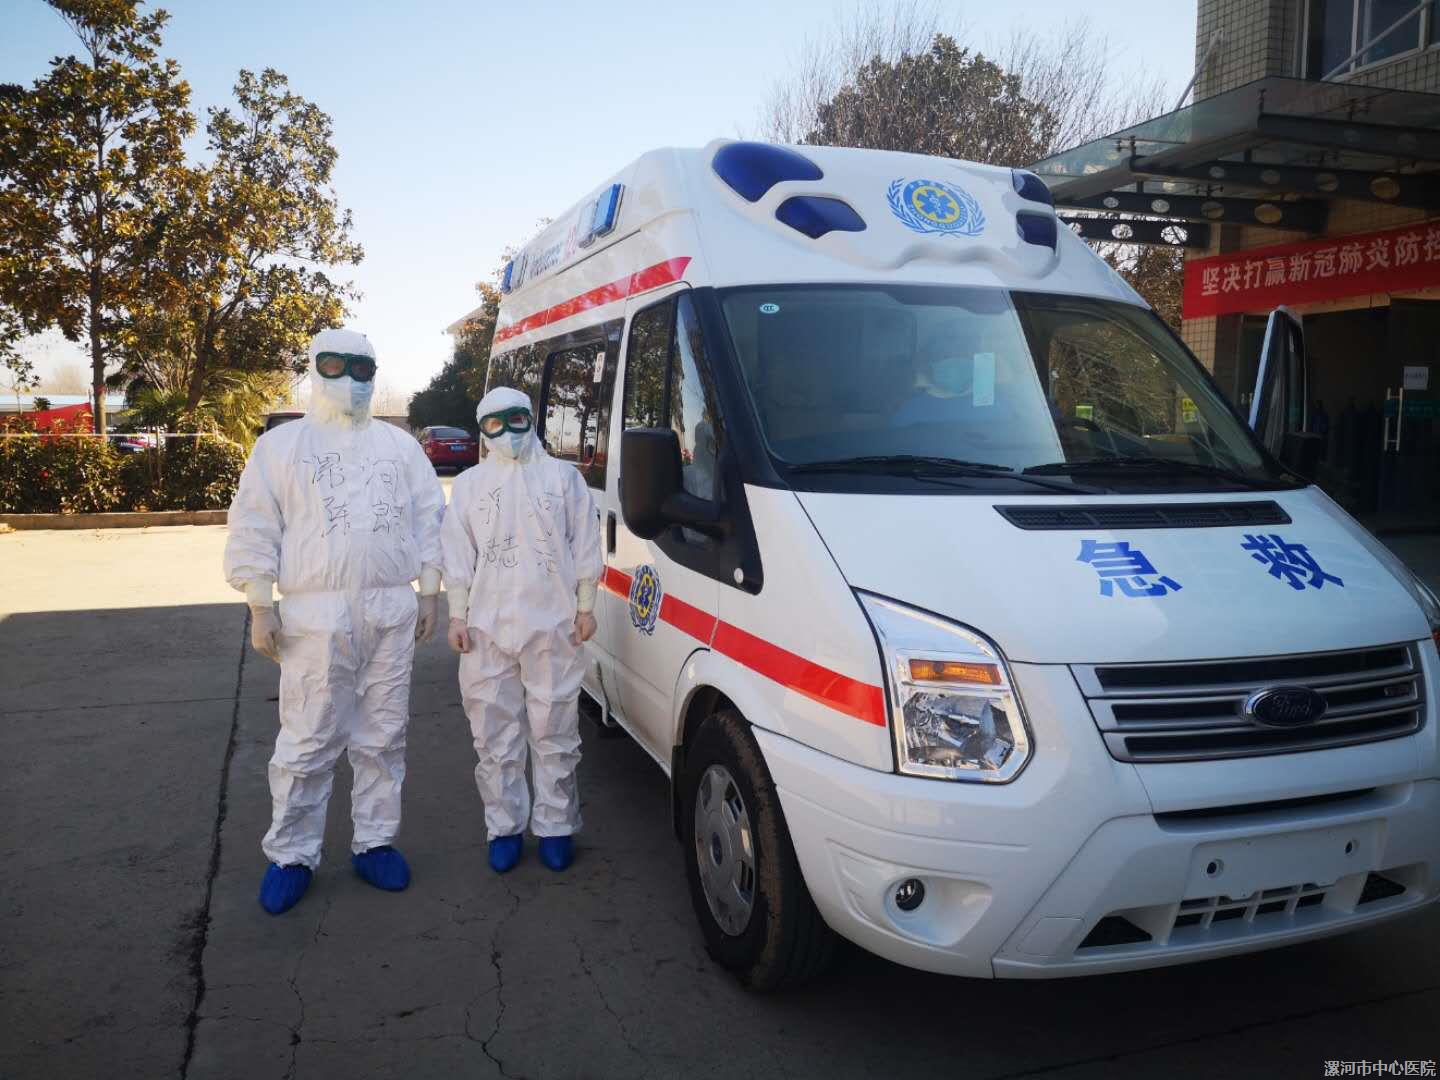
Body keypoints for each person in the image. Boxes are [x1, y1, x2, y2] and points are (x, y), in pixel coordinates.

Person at [224, 328, 445, 914]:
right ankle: (292, 854)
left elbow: (429, 518)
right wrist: (259, 602)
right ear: (314, 368)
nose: (349, 378)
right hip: (314, 613)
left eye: (362, 367)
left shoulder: (400, 448)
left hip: (390, 608)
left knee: (384, 733)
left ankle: (375, 841)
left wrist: (429, 592)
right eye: (334, 365)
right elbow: (255, 524)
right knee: (308, 734)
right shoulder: (282, 448)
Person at [441, 386, 602, 874]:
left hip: (553, 623)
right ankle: (504, 827)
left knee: (555, 730)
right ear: (482, 430)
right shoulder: (469, 486)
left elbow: (585, 544)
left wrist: (586, 606)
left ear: (531, 419)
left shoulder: (564, 479)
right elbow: (457, 555)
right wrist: (457, 615)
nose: (508, 433)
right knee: (494, 735)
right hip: (486, 629)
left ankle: (556, 826)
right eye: (495, 424)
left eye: (516, 420)